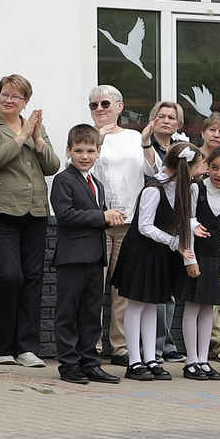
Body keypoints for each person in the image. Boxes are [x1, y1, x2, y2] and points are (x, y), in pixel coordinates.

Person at [0, 74, 55, 368]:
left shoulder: (35, 128)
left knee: (32, 279)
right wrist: (21, 138)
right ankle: (4, 348)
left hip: (35, 212)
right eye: (4, 94)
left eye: (15, 97)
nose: (8, 100)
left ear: (25, 101)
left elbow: (52, 166)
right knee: (9, 276)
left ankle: (27, 348)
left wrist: (38, 139)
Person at [112, 143, 195, 381]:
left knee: (152, 305)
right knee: (137, 304)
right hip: (141, 252)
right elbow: (144, 226)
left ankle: (150, 358)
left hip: (158, 254)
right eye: (196, 166)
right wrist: (173, 242)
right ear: (184, 167)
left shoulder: (180, 189)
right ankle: (134, 361)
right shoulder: (154, 189)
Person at [51, 126, 122, 385]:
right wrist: (101, 216)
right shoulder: (63, 180)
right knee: (68, 312)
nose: (84, 155)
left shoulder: (97, 184)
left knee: (92, 313)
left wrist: (110, 219)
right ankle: (69, 364)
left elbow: (96, 216)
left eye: (90, 151)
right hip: (71, 258)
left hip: (95, 256)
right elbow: (66, 215)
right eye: (78, 150)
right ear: (68, 151)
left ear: (98, 152)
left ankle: (90, 362)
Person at [86, 86, 145, 361]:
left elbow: (151, 171)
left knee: (121, 289)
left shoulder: (134, 137)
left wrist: (147, 143)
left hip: (130, 220)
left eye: (105, 103)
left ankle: (120, 346)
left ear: (120, 107)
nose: (99, 109)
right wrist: (96, 139)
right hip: (99, 222)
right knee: (94, 285)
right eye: (93, 105)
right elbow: (76, 170)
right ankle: (92, 344)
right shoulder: (86, 136)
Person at [178, 145, 220, 382]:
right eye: (214, 167)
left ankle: (204, 360)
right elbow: (186, 222)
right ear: (206, 165)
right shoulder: (197, 189)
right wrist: (190, 259)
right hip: (196, 257)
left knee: (208, 308)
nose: (219, 174)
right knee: (193, 307)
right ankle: (191, 360)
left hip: (216, 259)